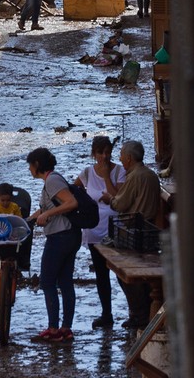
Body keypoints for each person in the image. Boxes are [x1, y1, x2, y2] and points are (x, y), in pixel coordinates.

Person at [101, 140, 161, 330]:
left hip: (136, 230)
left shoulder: (135, 176)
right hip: (148, 227)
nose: (119, 158)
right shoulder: (150, 174)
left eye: (121, 155)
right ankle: (141, 311)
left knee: (124, 273)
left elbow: (120, 204)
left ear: (128, 158)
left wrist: (108, 198)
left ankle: (139, 313)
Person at [26, 146, 80, 343]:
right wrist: (28, 220)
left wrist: (48, 214)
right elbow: (44, 209)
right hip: (69, 235)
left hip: (60, 237)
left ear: (37, 164)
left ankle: (54, 329)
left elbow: (71, 203)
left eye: (30, 165)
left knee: (47, 282)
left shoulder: (52, 180)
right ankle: (66, 329)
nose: (29, 170)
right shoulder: (51, 180)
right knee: (65, 282)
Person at [75, 135, 125, 329]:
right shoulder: (87, 172)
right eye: (100, 153)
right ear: (94, 154)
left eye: (107, 152)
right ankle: (107, 313)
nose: (104, 156)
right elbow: (73, 190)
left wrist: (105, 176)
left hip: (115, 226)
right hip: (94, 230)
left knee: (121, 271)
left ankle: (134, 311)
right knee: (101, 274)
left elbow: (118, 196)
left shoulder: (119, 171)